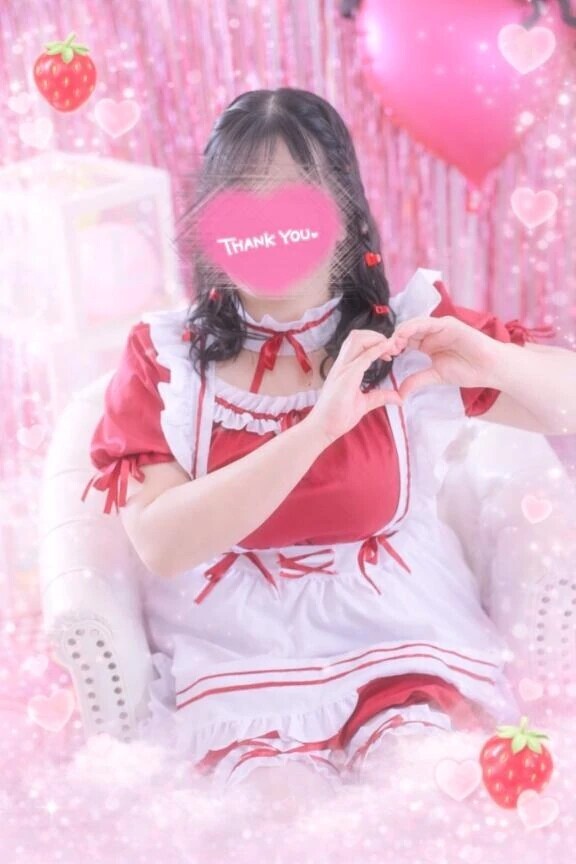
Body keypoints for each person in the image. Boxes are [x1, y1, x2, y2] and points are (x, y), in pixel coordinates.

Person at [80, 87, 555, 798]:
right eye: (242, 203)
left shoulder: (404, 330)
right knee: (277, 810)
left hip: (399, 636)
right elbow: (163, 542)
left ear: (346, 214)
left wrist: (492, 360)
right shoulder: (167, 356)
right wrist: (317, 430)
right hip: (242, 653)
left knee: (424, 785)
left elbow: (564, 406)